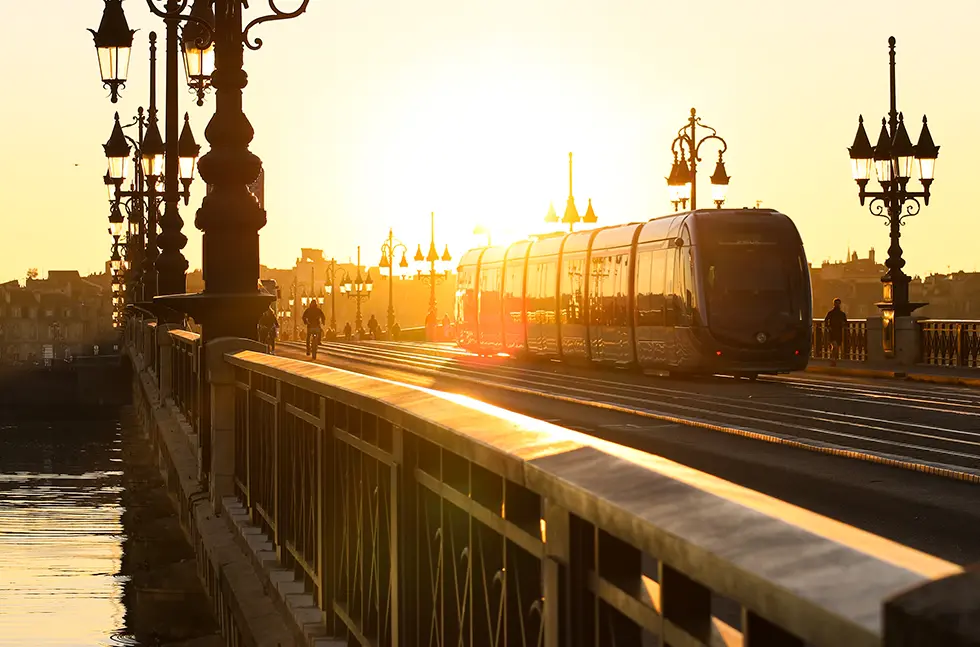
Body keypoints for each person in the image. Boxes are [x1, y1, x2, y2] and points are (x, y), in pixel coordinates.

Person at [824, 298, 847, 366]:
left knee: (837, 347)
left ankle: (834, 359)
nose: (837, 305)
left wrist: (843, 325)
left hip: (839, 332)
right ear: (834, 304)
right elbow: (826, 320)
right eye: (836, 303)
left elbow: (845, 322)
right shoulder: (831, 313)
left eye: (838, 303)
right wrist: (828, 327)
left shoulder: (842, 314)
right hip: (832, 332)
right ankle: (833, 359)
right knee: (835, 346)